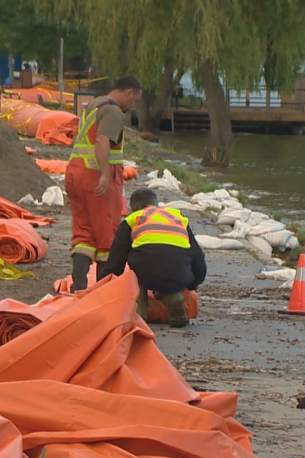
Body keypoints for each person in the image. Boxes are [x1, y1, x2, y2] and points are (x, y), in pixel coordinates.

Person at [66, 75, 142, 291]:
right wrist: (106, 175)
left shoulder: (94, 105)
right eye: (134, 100)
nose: (133, 105)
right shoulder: (113, 111)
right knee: (107, 235)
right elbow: (102, 141)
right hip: (95, 176)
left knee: (83, 233)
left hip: (76, 172)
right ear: (129, 93)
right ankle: (103, 290)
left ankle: (79, 285)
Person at [99, 188, 206, 328]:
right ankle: (175, 298)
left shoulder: (132, 220)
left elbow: (116, 261)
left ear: (134, 208)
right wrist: (192, 284)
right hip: (179, 273)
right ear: (156, 204)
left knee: (139, 272)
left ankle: (140, 311)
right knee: (168, 267)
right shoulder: (178, 217)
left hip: (146, 271)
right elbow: (197, 256)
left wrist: (102, 287)